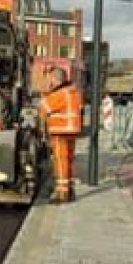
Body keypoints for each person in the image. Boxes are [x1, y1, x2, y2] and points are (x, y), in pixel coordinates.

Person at [40, 66, 83, 203]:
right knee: (69, 159)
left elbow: (44, 107)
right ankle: (69, 189)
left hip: (60, 131)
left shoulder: (59, 94)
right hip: (72, 130)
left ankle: (62, 194)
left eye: (50, 79)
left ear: (55, 79)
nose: (49, 81)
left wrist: (47, 91)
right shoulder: (74, 92)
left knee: (60, 160)